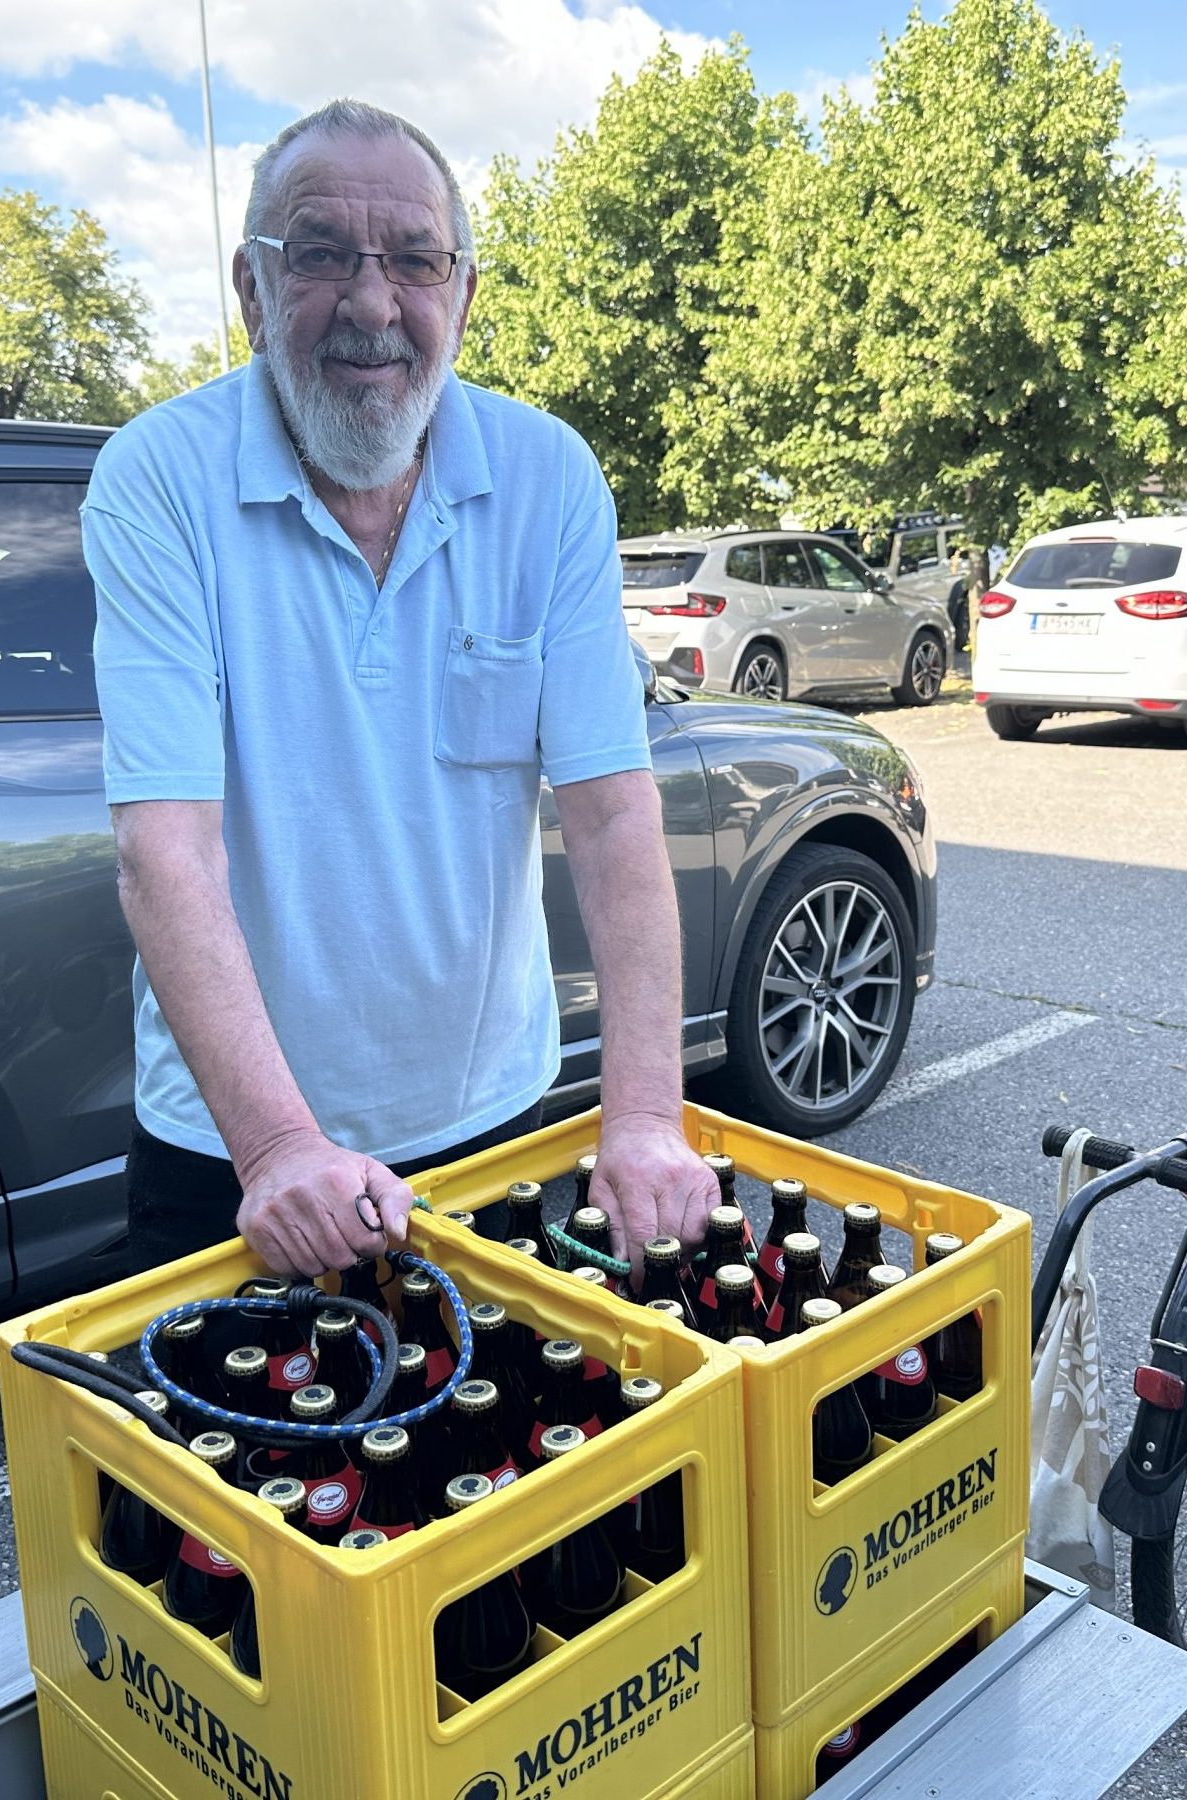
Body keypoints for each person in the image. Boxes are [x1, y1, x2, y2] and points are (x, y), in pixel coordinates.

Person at [83, 99, 716, 1282]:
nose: (373, 304)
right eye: (321, 254)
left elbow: (613, 812)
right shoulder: (159, 479)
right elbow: (164, 849)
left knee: (509, 1458)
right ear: (252, 290)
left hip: (491, 1126)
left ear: (464, 294)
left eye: (415, 260)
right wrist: (277, 1145)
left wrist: (639, 1117)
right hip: (234, 1157)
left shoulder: (550, 479)